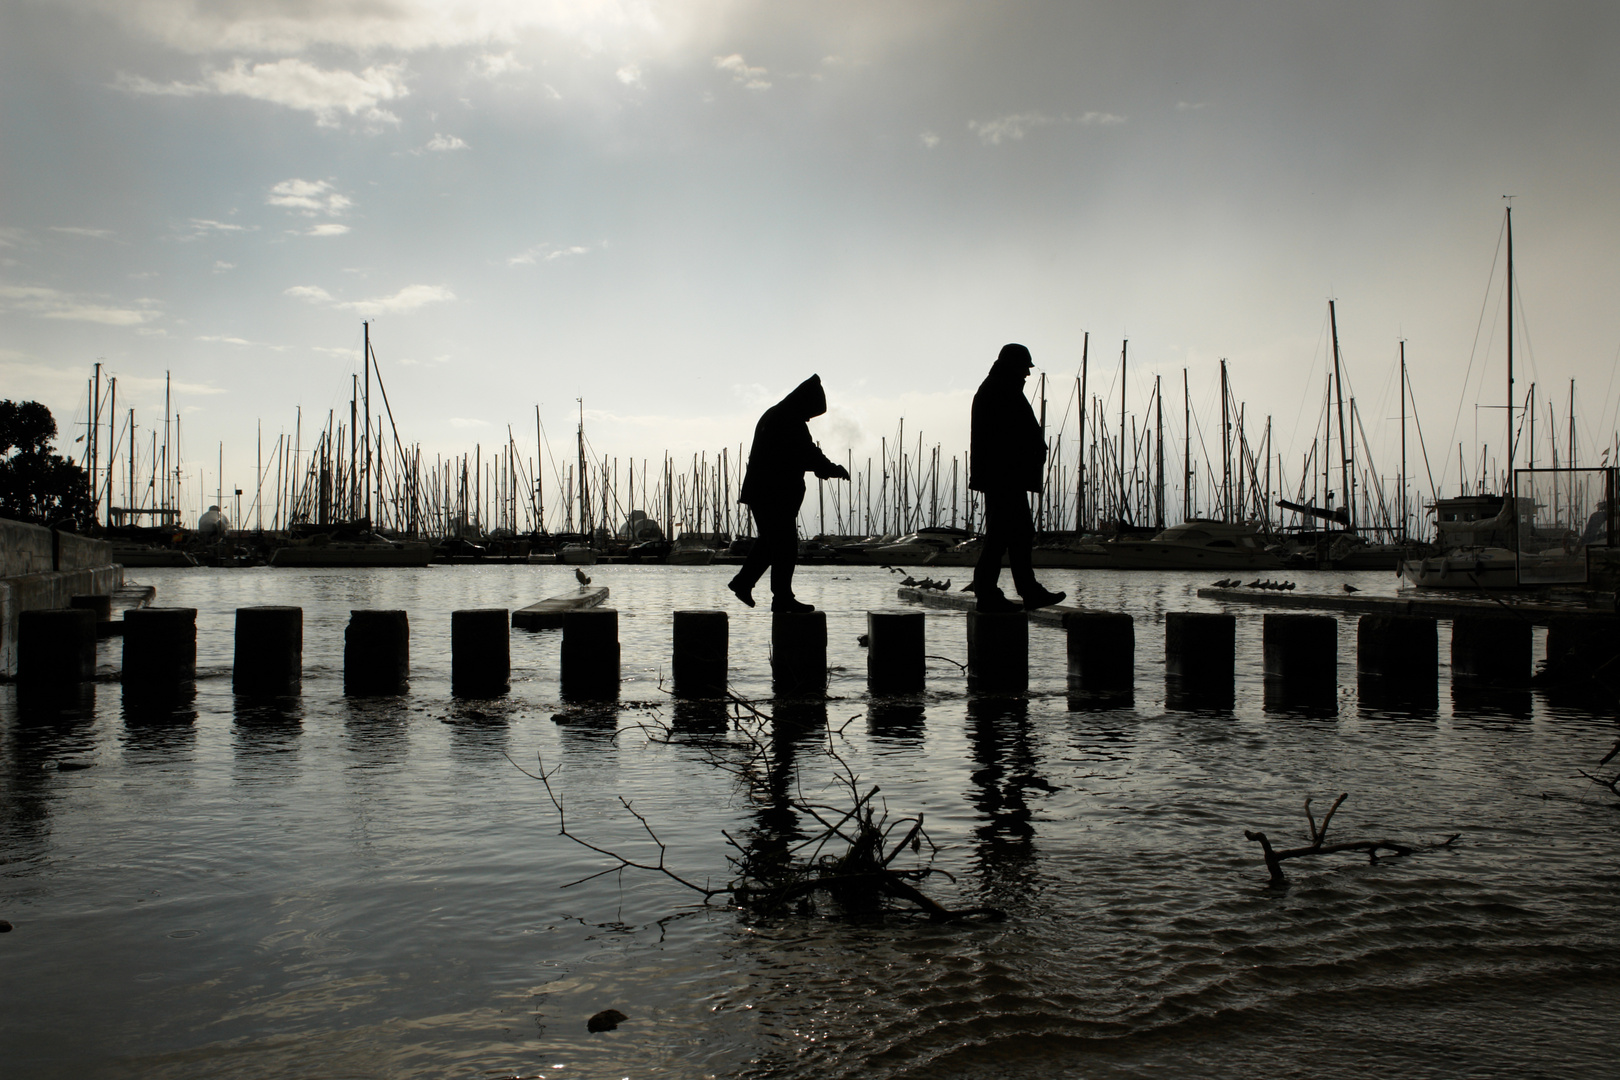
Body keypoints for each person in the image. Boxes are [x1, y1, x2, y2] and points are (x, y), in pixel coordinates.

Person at [729, 374, 850, 612]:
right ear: (805, 403)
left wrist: (818, 467)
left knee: (773, 542)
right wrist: (832, 469)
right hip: (773, 493)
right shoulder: (789, 420)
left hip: (763, 491)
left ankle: (748, 584)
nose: (809, 418)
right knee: (783, 545)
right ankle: (775, 595)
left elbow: (793, 455)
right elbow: (807, 454)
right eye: (811, 412)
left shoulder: (775, 415)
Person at [969, 343, 1066, 612]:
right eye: (1025, 367)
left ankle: (1013, 590)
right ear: (1013, 366)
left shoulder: (997, 388)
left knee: (1011, 535)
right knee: (1010, 535)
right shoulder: (1000, 390)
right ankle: (1000, 591)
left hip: (1003, 477)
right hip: (1004, 477)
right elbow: (1008, 438)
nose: (1028, 374)